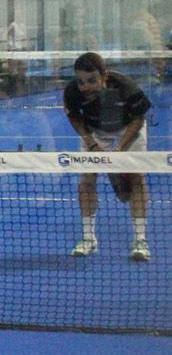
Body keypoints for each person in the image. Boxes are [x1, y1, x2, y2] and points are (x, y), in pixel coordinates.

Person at [63, 52, 152, 262]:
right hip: (95, 131)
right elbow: (74, 116)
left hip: (128, 128)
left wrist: (119, 150)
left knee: (137, 178)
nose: (86, 87)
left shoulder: (125, 86)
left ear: (105, 75)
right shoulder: (73, 91)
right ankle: (88, 239)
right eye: (81, 81)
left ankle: (140, 240)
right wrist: (92, 144)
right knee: (86, 180)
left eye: (92, 80)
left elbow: (138, 119)